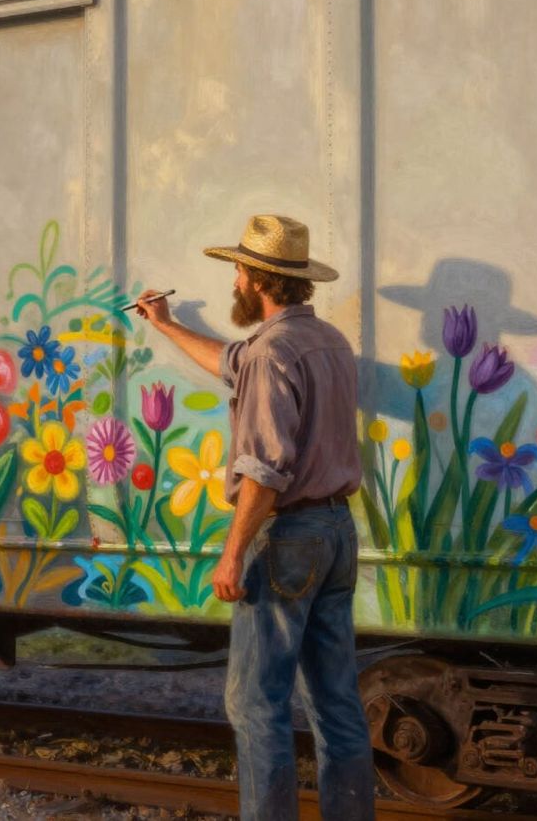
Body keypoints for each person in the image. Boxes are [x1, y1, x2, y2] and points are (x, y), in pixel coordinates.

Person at [135, 214, 375, 821]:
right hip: (336, 533)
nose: (234, 280)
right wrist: (166, 326)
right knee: (336, 700)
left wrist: (232, 552)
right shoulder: (326, 342)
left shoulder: (271, 354)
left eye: (238, 270)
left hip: (288, 537)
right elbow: (232, 362)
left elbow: (265, 470)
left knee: (256, 705)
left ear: (258, 279)